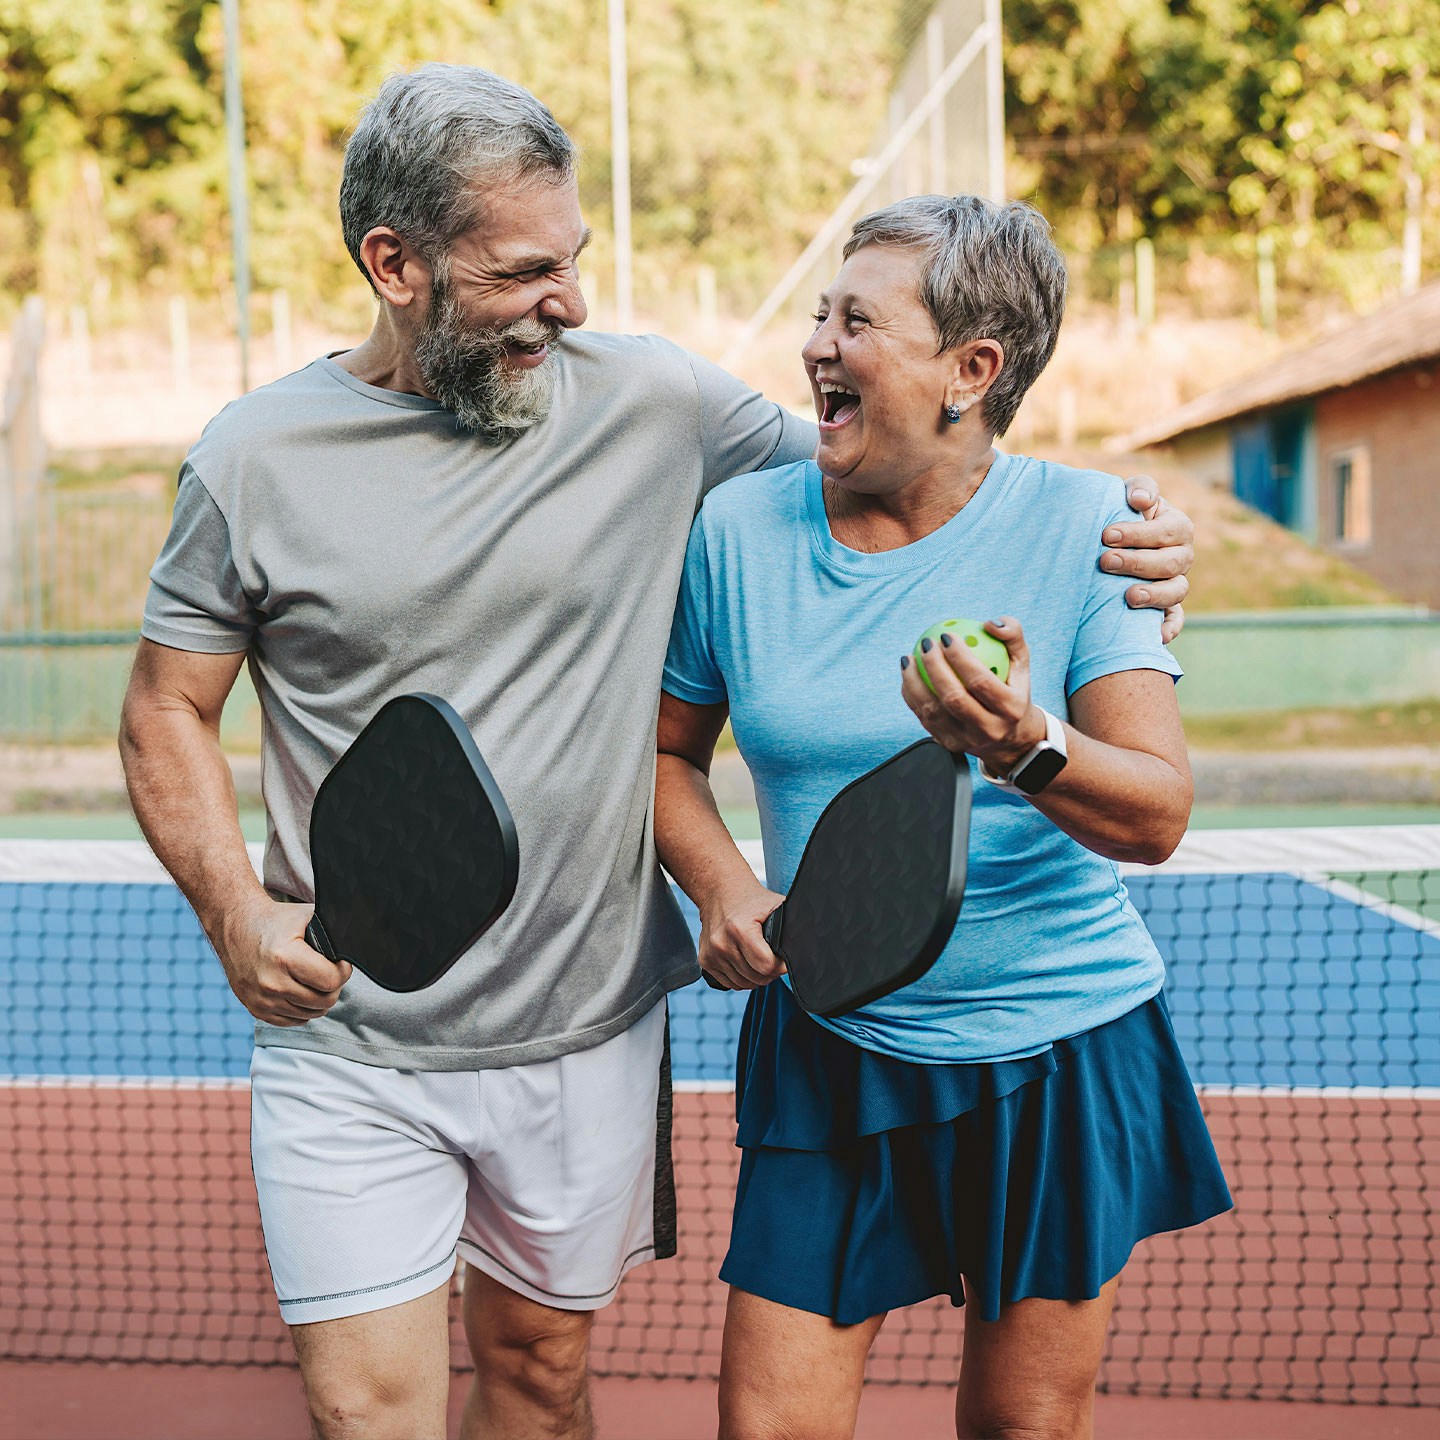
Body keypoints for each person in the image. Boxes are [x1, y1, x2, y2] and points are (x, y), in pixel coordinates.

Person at [118, 65, 1196, 1440]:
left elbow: (925, 465)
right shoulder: (254, 459)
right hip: (360, 1036)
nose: (570, 303)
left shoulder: (660, 405)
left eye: (573, 260)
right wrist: (234, 912)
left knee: (547, 1384)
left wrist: (1132, 547)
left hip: (599, 1028)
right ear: (395, 266)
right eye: (525, 272)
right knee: (371, 1415)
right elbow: (164, 708)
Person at [655, 193, 1232, 1440]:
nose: (817, 343)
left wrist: (1026, 747)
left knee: (1022, 1426)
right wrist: (721, 885)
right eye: (822, 313)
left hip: (1057, 1048)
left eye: (857, 322)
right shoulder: (736, 532)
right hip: (831, 1037)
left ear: (972, 369)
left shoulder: (1094, 531)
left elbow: (1156, 815)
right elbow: (666, 756)